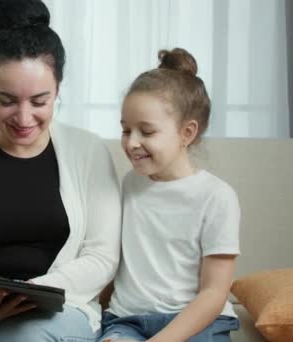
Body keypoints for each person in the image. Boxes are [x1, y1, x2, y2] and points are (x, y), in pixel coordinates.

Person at [0, 0, 122, 341]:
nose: (25, 118)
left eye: (40, 101)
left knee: (21, 338)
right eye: (7, 101)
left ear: (58, 88)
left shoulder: (89, 152)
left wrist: (30, 292)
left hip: (59, 307)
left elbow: (101, 256)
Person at [98, 48, 241, 342]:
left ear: (187, 133)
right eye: (126, 130)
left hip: (197, 323)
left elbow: (214, 292)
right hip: (128, 320)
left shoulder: (217, 197)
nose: (132, 143)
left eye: (146, 132)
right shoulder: (129, 185)